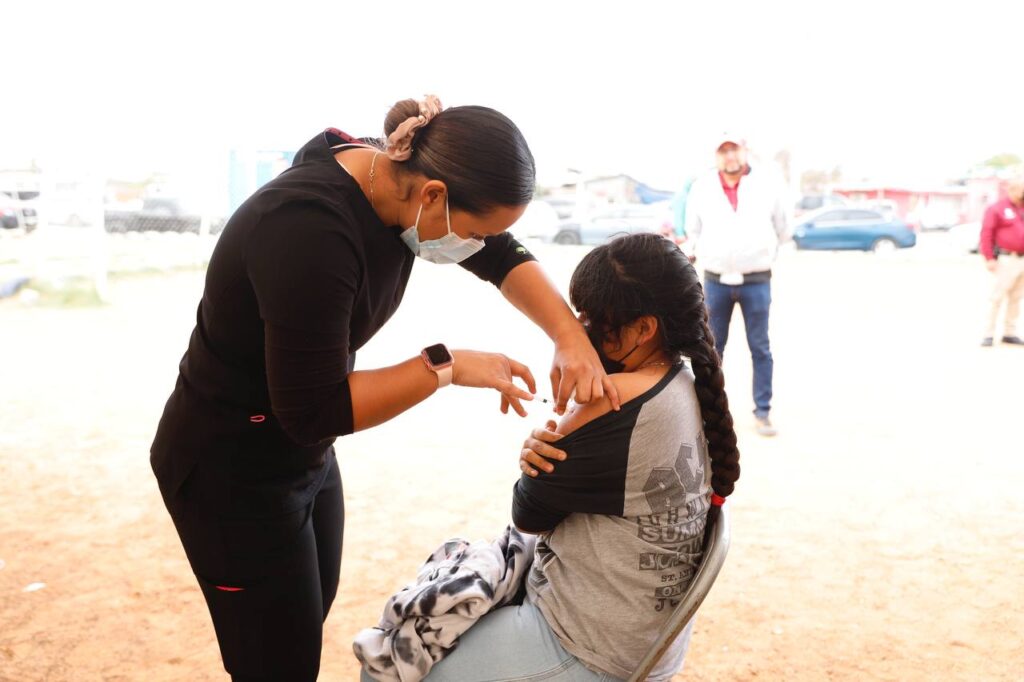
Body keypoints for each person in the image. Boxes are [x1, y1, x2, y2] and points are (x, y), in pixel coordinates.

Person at [150, 95, 619, 682]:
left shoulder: (394, 181)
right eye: (474, 231)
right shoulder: (308, 231)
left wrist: (568, 334)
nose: (477, 245)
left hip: (300, 457)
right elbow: (314, 408)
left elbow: (500, 254)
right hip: (228, 467)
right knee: (276, 660)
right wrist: (446, 365)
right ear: (433, 197)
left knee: (304, 612)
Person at [362, 233, 741, 681]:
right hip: (644, 639)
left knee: (388, 665)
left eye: (595, 318)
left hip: (587, 645)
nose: (580, 328)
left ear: (644, 329)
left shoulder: (612, 399)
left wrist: (535, 452)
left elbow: (528, 514)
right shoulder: (686, 382)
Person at [682, 132, 790, 436]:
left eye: (735, 150)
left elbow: (783, 227)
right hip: (716, 279)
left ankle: (763, 412)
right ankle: (707, 412)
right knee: (711, 348)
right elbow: (693, 229)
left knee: (760, 347)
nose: (730, 156)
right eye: (723, 151)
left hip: (757, 278)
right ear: (716, 156)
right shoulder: (702, 188)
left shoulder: (767, 185)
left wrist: (763, 252)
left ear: (745, 152)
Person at [979, 178, 1024, 347]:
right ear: (1012, 189)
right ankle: (988, 333)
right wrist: (989, 258)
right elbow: (986, 234)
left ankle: (1009, 332)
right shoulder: (997, 208)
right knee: (997, 297)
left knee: (1017, 298)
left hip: (1023, 259)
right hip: (1006, 259)